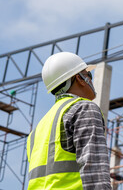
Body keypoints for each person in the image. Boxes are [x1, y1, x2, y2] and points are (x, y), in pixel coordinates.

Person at [26, 52, 111, 190]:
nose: (91, 80)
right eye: (88, 74)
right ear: (80, 78)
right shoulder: (83, 109)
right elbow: (95, 173)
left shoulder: (37, 130)